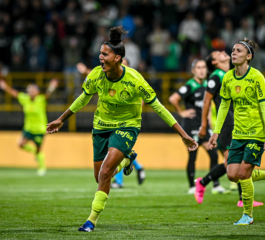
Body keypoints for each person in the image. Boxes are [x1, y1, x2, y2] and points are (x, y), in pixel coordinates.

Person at [46, 26, 198, 232]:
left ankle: (91, 220)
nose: (100, 57)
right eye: (100, 53)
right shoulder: (96, 75)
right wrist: (61, 119)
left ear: (117, 58)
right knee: (99, 176)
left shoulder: (135, 80)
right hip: (101, 126)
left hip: (127, 126)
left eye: (104, 54)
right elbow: (84, 97)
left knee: (106, 171)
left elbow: (159, 108)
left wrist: (184, 135)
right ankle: (128, 159)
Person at [195, 50, 264, 208]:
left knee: (233, 165)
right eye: (217, 53)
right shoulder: (217, 76)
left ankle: (206, 183)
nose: (223, 52)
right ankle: (238, 196)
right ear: (214, 62)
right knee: (232, 165)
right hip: (226, 124)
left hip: (235, 122)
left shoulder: (233, 75)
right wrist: (204, 125)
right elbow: (207, 101)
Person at [208, 38, 265, 225]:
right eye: (233, 50)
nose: (233, 53)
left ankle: (247, 215)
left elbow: (264, 106)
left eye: (238, 51)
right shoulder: (228, 78)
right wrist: (216, 132)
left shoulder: (257, 77)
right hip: (238, 134)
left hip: (257, 133)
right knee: (233, 174)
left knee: (244, 173)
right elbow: (224, 105)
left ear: (249, 56)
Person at [76, 58, 146, 187]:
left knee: (114, 152)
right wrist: (86, 71)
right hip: (110, 122)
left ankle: (120, 181)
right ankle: (137, 166)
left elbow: (141, 103)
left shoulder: (133, 82)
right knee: (117, 153)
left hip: (126, 123)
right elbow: (97, 76)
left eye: (124, 65)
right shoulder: (110, 79)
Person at [169, 59, 224, 194]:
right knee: (193, 156)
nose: (201, 70)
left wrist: (210, 120)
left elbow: (209, 105)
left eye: (203, 67)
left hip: (204, 126)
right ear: (193, 70)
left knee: (213, 154)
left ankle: (216, 185)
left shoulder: (208, 84)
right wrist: (181, 112)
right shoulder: (190, 85)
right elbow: (173, 98)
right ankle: (192, 186)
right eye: (198, 68)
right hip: (192, 126)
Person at [0, 78, 59, 176]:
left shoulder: (41, 100)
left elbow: (48, 95)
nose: (30, 92)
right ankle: (35, 153)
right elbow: (14, 93)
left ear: (37, 92)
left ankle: (42, 168)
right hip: (28, 128)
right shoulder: (25, 99)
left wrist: (52, 87)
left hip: (39, 129)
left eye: (33, 90)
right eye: (29, 90)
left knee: (39, 149)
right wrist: (4, 87)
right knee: (21, 144)